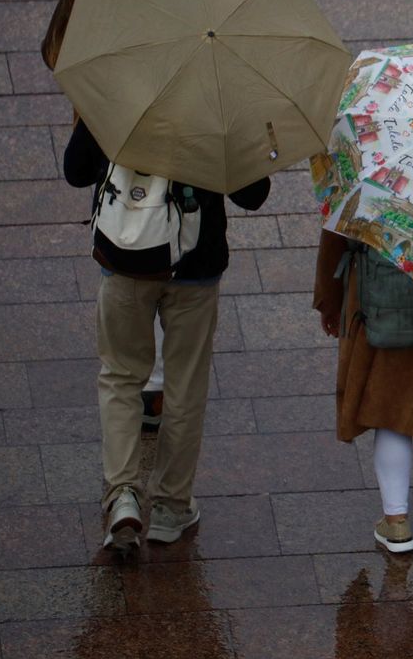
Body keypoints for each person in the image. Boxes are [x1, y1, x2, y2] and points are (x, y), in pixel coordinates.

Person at [64, 119, 270, 549]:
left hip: (125, 259)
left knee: (121, 376)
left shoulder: (120, 88)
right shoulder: (217, 102)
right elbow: (253, 195)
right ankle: (169, 507)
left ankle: (122, 494)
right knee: (184, 388)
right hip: (197, 265)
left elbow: (76, 170)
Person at [42, 0, 164, 434]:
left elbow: (76, 171)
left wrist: (89, 116)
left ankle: (125, 485)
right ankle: (158, 387)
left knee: (121, 354)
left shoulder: (107, 89)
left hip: (124, 231)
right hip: (184, 238)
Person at [312, 231, 413, 553]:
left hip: (377, 309)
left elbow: (334, 240)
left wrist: (329, 303)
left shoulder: (365, 182)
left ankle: (396, 521)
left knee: (388, 407)